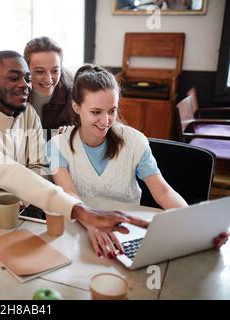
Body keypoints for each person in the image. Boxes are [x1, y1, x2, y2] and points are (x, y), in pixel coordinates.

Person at [0, 50, 149, 235]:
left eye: (27, 78)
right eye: (14, 78)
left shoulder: (28, 115)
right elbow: (0, 168)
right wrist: (80, 211)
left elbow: (41, 171)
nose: (24, 85)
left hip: (25, 214)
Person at [48, 64, 228, 258]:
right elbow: (69, 194)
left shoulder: (134, 141)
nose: (106, 120)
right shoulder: (57, 145)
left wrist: (196, 227)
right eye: (96, 112)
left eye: (112, 110)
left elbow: (163, 191)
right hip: (80, 231)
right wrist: (92, 222)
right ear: (76, 106)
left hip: (129, 232)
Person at [24, 37, 75, 137]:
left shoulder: (74, 92)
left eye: (55, 71)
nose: (48, 79)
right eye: (39, 71)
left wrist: (72, 130)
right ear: (26, 68)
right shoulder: (15, 90)